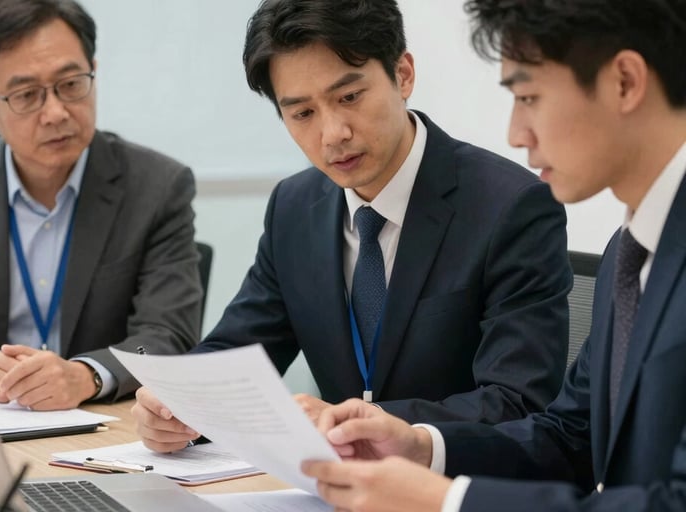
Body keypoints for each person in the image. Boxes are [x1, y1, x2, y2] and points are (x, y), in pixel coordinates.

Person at [132, 0, 572, 451]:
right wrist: (178, 405)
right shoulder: (294, 206)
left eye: (349, 97)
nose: (332, 133)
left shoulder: (508, 207)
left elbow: (518, 401)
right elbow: (237, 355)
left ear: (403, 75)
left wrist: (379, 422)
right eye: (303, 113)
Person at [302, 1, 686, 511]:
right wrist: (423, 447)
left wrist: (450, 502)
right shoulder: (633, 247)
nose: (515, 133)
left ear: (624, 82)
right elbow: (570, 436)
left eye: (528, 97)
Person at [0, 0, 201, 411]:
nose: (55, 112)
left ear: (94, 75)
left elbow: (167, 334)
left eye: (71, 85)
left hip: (104, 432)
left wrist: (87, 375)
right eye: (27, 95)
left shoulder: (158, 187)